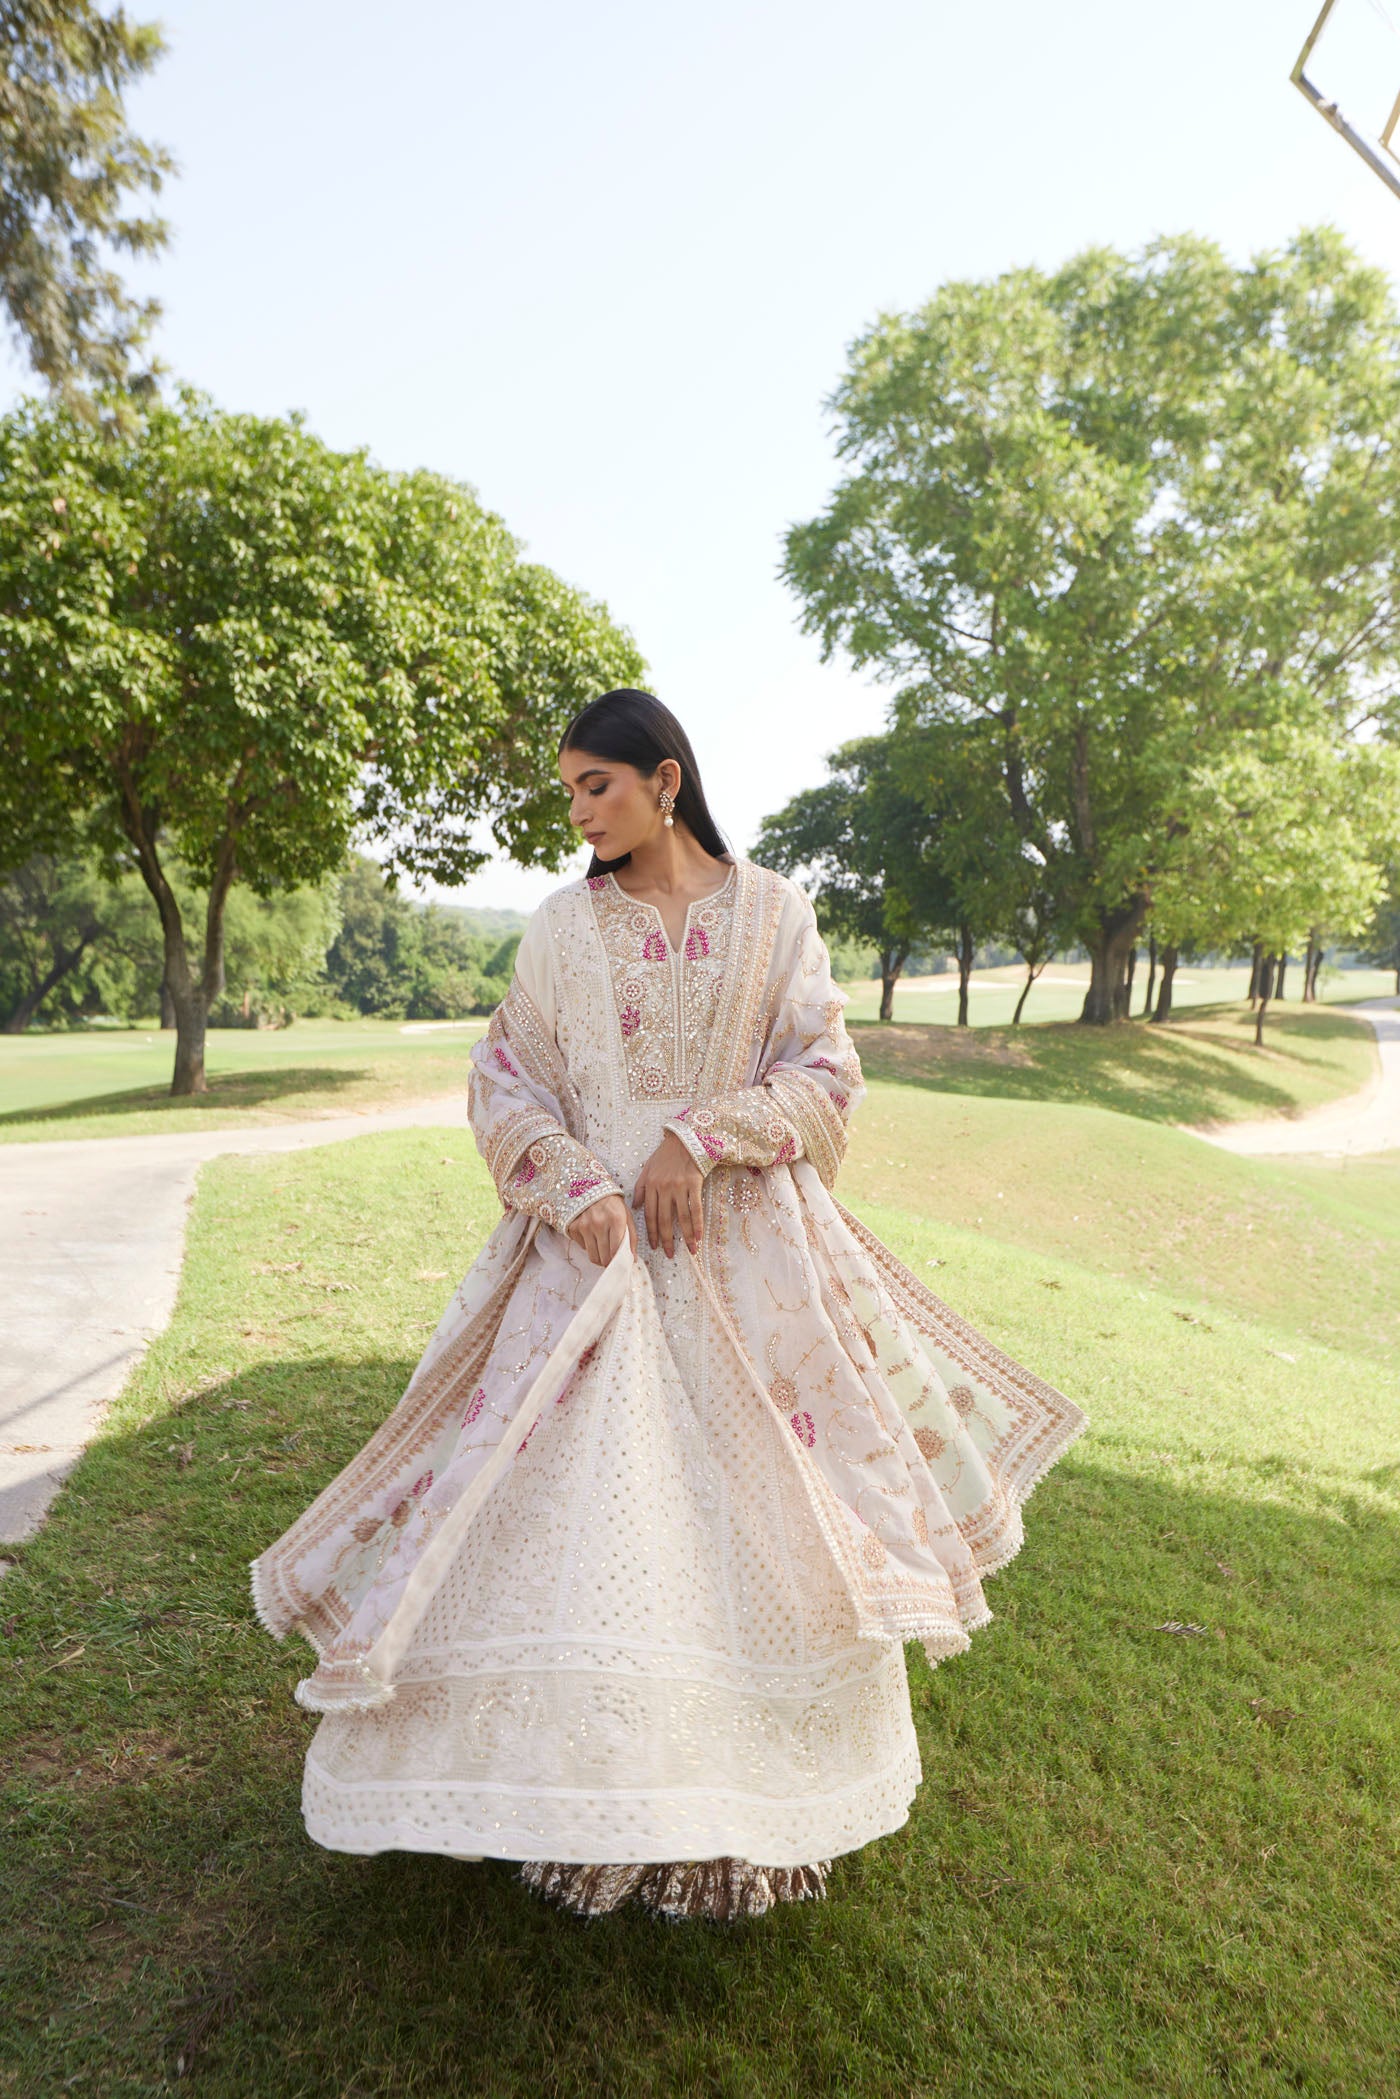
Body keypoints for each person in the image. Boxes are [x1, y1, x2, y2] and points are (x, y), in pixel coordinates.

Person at [250, 690, 1086, 1921]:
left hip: (747, 1263)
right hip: (592, 1271)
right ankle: (586, 1804)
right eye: (570, 790)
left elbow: (825, 1070)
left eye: (597, 784)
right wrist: (574, 1179)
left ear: (665, 779)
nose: (579, 811)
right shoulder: (556, 931)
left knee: (759, 1522)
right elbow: (502, 1080)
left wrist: (699, 1136)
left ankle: (742, 1818)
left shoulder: (775, 915)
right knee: (588, 1519)